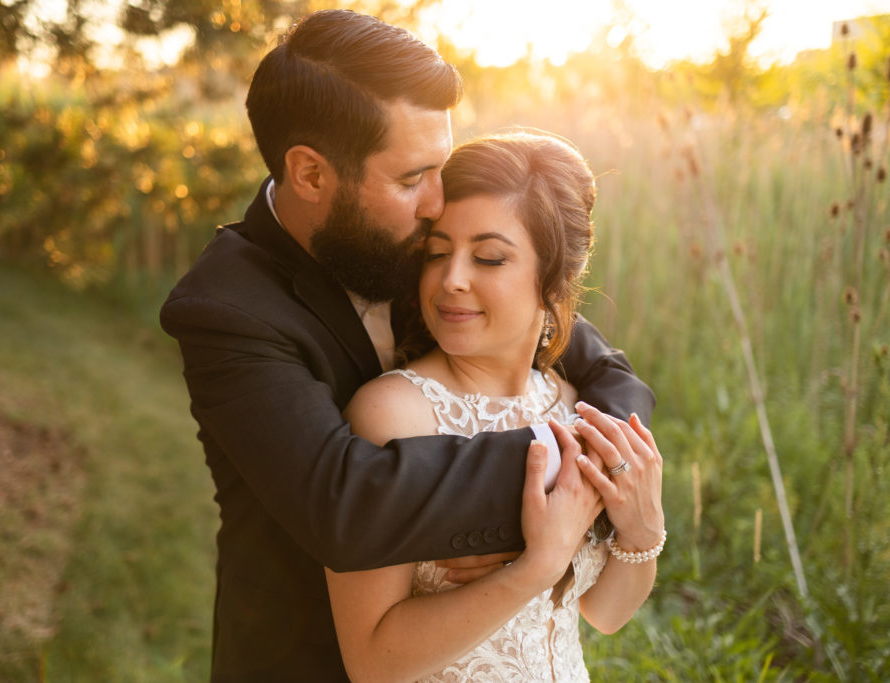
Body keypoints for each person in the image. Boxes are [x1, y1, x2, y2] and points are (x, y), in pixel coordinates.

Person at [159, 9, 655, 681]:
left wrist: (620, 458)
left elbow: (593, 362)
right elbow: (346, 502)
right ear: (311, 174)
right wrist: (553, 484)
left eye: (439, 167)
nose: (436, 202)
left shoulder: (417, 248)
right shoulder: (228, 309)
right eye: (409, 177)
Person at [327, 131, 665, 682]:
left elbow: (604, 613)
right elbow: (372, 662)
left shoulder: (577, 406)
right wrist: (536, 567)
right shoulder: (395, 415)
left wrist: (644, 533)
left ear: (554, 277)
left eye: (488, 257)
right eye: (436, 253)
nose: (450, 279)